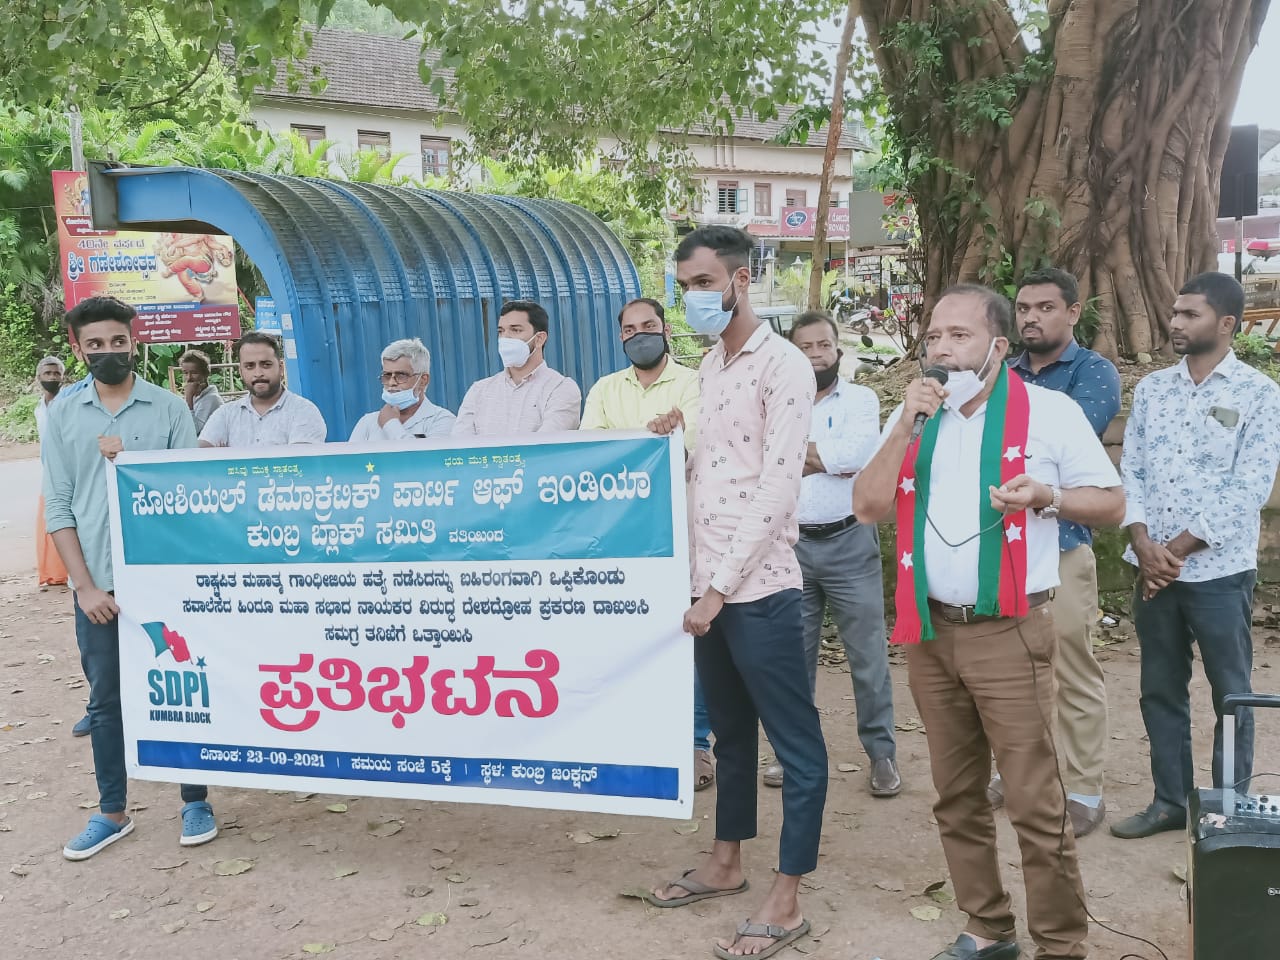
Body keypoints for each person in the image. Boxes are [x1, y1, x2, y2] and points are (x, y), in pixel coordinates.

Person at [854, 284, 1124, 960]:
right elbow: (867, 506)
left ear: (998, 347)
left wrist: (1048, 497)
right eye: (934, 336)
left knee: (1034, 800)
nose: (941, 349)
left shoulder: (1048, 412)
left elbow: (1112, 503)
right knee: (955, 795)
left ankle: (1060, 943)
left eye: (959, 336)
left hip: (1010, 632)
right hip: (930, 632)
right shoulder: (919, 416)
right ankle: (987, 924)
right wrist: (904, 425)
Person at [645, 226, 826, 960]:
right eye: (685, 285)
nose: (693, 297)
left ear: (741, 280)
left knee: (797, 744)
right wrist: (673, 448)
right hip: (706, 588)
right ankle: (726, 862)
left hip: (758, 591)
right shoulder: (711, 367)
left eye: (704, 283)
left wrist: (718, 590)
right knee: (729, 734)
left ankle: (787, 897)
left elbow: (777, 487)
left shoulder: (783, 365)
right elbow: (719, 473)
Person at [42, 295, 218, 860]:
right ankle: (112, 811)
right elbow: (59, 507)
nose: (108, 352)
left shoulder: (168, 408)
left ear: (134, 341)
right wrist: (85, 587)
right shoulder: (64, 415)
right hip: (98, 586)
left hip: (163, 581)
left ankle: (195, 800)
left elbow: (189, 495)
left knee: (183, 687)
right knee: (105, 700)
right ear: (79, 349)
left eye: (118, 341)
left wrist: (132, 469)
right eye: (95, 344)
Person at [1112, 272, 1280, 840]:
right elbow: (1132, 469)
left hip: (1219, 573)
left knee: (1231, 693)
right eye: (1175, 313)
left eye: (1190, 315)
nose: (1176, 323)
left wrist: (1174, 550)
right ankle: (1170, 802)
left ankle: (1229, 809)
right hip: (1151, 569)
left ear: (1226, 323)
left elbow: (1249, 488)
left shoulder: (1258, 393)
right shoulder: (1153, 390)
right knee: (1159, 688)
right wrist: (1142, 542)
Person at [990, 267, 1121, 838]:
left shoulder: (1093, 373)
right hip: (1004, 548)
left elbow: (1051, 445)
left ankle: (1085, 788)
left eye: (1045, 308)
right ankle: (1012, 772)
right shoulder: (1004, 371)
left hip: (1063, 546)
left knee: (1071, 668)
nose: (1031, 318)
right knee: (1007, 670)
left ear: (1072, 312)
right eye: (1023, 308)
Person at [760, 310, 900, 798]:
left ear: (838, 348)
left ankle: (882, 754)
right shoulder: (775, 400)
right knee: (791, 660)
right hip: (789, 547)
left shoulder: (861, 399)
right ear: (792, 353)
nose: (817, 354)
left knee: (868, 656)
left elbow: (856, 457)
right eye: (807, 347)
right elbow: (764, 460)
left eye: (824, 345)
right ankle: (791, 755)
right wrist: (823, 456)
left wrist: (797, 454)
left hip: (850, 543)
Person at [580, 297, 714, 789]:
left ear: (666, 330)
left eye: (649, 326)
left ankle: (696, 745)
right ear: (620, 337)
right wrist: (651, 440)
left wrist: (663, 441)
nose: (640, 335)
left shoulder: (695, 383)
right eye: (630, 329)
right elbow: (592, 454)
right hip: (622, 537)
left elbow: (693, 446)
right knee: (627, 637)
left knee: (691, 639)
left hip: (683, 535)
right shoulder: (604, 389)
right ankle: (635, 741)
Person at [453, 300, 581, 435]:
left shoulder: (560, 388)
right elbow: (461, 442)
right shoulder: (479, 390)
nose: (505, 338)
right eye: (501, 331)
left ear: (539, 339)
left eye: (515, 330)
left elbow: (547, 443)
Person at [199, 332, 326, 447]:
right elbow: (202, 455)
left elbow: (299, 461)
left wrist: (227, 457)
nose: (258, 373)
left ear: (281, 368)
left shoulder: (303, 411)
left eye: (266, 365)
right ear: (241, 372)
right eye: (249, 366)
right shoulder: (226, 414)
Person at [349, 338, 455, 442]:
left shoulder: (442, 420)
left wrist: (390, 424)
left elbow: (426, 454)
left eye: (401, 375)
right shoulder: (368, 422)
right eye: (387, 375)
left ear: (423, 380)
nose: (391, 383)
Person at [34, 356, 70, 589]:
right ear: (38, 377)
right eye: (47, 373)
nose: (52, 377)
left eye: (56, 373)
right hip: (48, 471)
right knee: (50, 520)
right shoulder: (39, 408)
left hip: (69, 471)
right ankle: (54, 572)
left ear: (63, 377)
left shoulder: (70, 403)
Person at [179, 348, 223, 434]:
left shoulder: (212, 399)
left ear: (205, 374)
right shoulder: (196, 396)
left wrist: (188, 398)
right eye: (185, 373)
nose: (189, 378)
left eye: (194, 373)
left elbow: (193, 431)